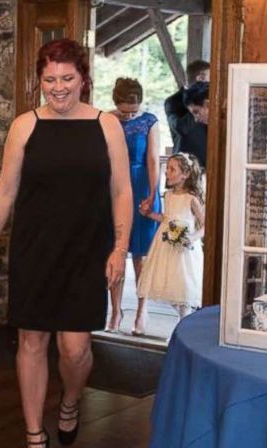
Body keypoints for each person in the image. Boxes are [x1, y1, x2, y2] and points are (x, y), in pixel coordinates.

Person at [0, 38, 132, 448]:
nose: (58, 88)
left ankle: (70, 400)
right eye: (49, 80)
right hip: (34, 249)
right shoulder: (24, 126)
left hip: (86, 250)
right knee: (31, 342)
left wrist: (119, 250)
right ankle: (33, 436)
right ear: (38, 80)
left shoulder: (106, 125)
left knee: (75, 349)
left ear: (83, 79)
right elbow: (5, 190)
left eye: (67, 78)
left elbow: (122, 191)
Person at [109, 77, 160, 336]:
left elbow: (152, 160)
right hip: (113, 185)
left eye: (134, 110)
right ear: (115, 103)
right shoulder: (106, 120)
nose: (130, 115)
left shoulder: (149, 121)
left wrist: (153, 193)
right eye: (125, 111)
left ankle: (142, 310)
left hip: (141, 185)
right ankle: (116, 309)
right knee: (115, 250)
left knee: (140, 255)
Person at [137, 153, 205, 320]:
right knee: (169, 287)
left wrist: (193, 237)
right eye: (167, 168)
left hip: (184, 250)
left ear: (185, 174)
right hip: (166, 246)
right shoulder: (168, 195)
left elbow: (206, 225)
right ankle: (185, 321)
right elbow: (167, 219)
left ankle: (184, 323)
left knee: (184, 288)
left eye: (172, 169)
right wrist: (150, 214)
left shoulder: (191, 199)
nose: (166, 172)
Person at [164, 60, 209, 166]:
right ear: (201, 79)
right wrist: (197, 106)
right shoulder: (173, 101)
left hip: (212, 164)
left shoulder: (214, 99)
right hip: (185, 166)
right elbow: (181, 128)